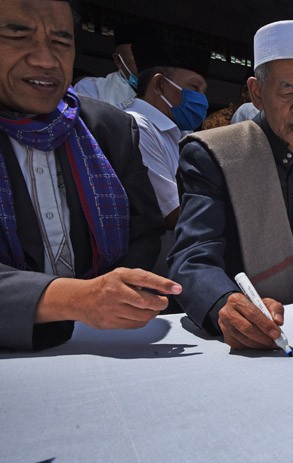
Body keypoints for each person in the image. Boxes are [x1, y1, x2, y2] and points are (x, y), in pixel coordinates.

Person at [0, 0, 177, 351]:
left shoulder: (111, 127)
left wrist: (121, 297)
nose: (46, 60)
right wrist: (77, 300)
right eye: (18, 36)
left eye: (61, 42)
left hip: (105, 343)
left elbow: (145, 230)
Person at [169, 20, 293, 350]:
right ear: (257, 92)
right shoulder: (215, 154)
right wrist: (224, 303)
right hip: (236, 336)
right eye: (288, 91)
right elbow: (191, 259)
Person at [125, 41, 210, 230]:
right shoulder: (136, 127)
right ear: (159, 84)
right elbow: (173, 212)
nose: (201, 98)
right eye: (194, 88)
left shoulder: (181, 132)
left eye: (204, 91)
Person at [73, 22, 146, 109]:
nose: (146, 63)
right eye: (138, 56)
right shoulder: (92, 88)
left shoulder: (164, 93)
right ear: (118, 60)